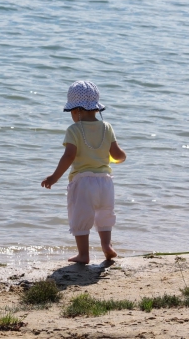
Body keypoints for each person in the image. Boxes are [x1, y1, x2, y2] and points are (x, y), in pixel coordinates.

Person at [41, 81, 126, 264]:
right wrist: (120, 157)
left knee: (80, 217)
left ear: (75, 110)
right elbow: (118, 155)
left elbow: (69, 155)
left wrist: (54, 177)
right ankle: (106, 246)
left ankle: (83, 254)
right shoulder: (107, 127)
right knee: (104, 213)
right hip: (105, 181)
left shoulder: (73, 130)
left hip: (82, 182)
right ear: (96, 109)